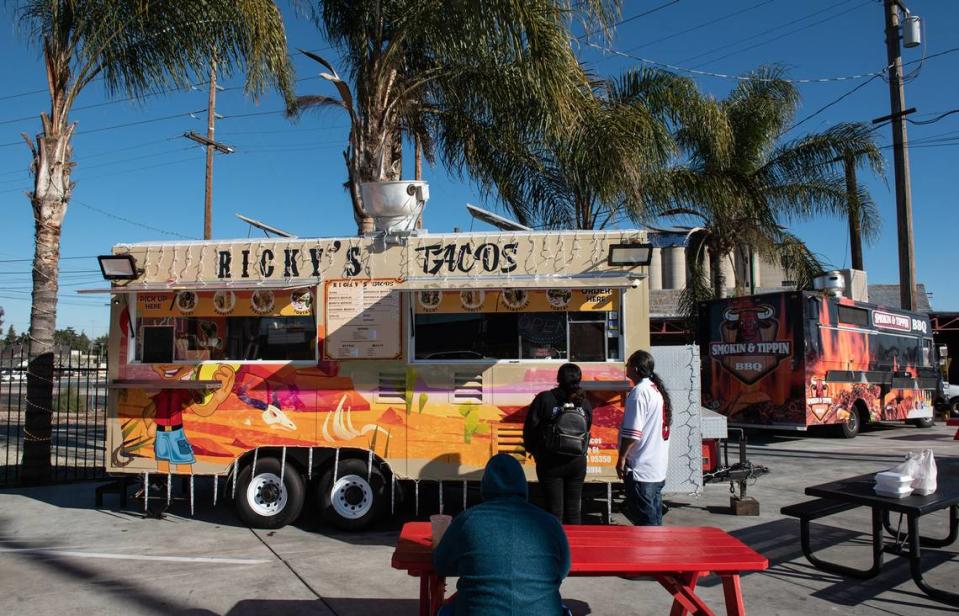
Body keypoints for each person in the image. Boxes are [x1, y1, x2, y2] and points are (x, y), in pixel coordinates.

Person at [433, 454, 573, 616]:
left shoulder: (467, 520)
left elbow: (440, 565)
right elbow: (562, 570)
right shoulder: (550, 523)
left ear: (485, 485)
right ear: (523, 484)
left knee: (445, 611)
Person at [522, 363, 592, 524]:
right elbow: (587, 428)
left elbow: (530, 427)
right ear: (579, 379)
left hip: (550, 461)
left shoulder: (545, 398)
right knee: (574, 510)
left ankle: (557, 547)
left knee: (554, 511)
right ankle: (577, 547)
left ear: (558, 379)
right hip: (577, 462)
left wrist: (533, 450)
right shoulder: (584, 403)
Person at [616, 350, 672, 526]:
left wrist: (622, 458)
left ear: (636, 368)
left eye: (628, 364)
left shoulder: (639, 392)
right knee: (654, 524)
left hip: (642, 470)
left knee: (646, 528)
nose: (626, 368)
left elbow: (632, 433)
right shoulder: (655, 390)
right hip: (655, 468)